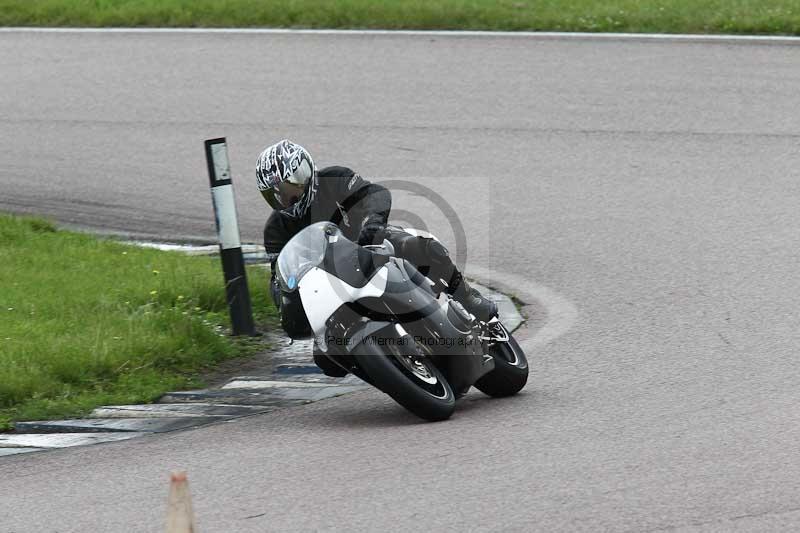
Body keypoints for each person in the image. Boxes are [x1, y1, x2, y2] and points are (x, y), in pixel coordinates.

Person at [257, 140, 497, 374]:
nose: (288, 198)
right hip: (331, 286)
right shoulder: (275, 230)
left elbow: (375, 194)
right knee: (326, 358)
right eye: (276, 195)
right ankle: (383, 365)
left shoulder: (335, 178)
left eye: (292, 186)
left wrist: (372, 223)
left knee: (421, 247)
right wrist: (285, 298)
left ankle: (467, 297)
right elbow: (279, 275)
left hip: (369, 248)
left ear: (306, 171)